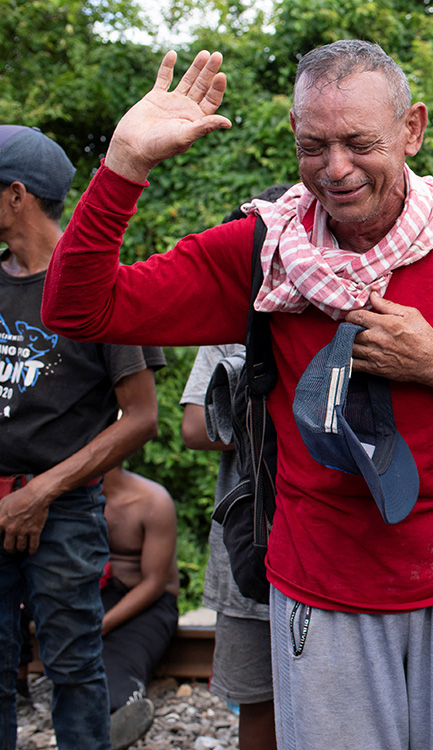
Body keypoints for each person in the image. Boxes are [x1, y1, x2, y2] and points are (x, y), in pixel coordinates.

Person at [41, 41, 433, 749]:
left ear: (412, 129)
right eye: (313, 145)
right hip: (321, 590)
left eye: (360, 142)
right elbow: (79, 311)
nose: (337, 169)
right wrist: (125, 166)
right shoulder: (264, 250)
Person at [0, 124, 163, 750]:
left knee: (72, 669)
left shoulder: (95, 283)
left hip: (62, 511)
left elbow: (141, 417)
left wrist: (41, 490)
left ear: (17, 196)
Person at [178, 187, 288, 750]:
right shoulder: (229, 323)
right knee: (259, 704)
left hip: (299, 542)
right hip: (250, 547)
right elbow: (195, 426)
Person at [100, 466, 179, 749]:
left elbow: (154, 583)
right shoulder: (69, 495)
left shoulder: (152, 500)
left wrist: (101, 625)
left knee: (119, 664)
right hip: (98, 595)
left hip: (148, 602)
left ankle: (123, 708)